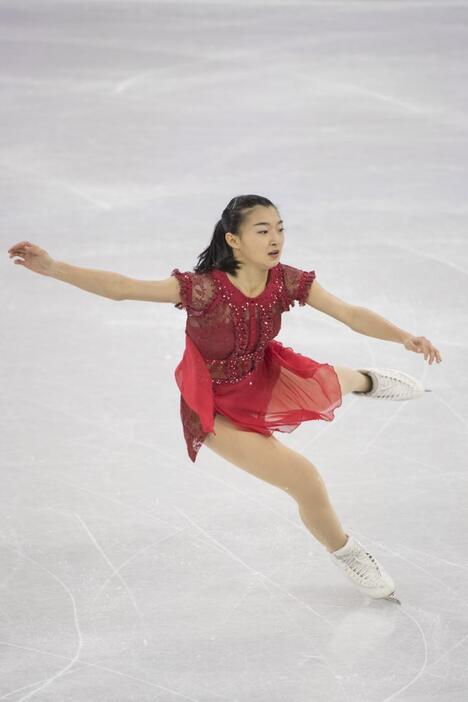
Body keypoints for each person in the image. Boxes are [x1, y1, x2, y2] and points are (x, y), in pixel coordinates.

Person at [7, 193, 442, 604]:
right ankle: (347, 552)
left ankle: (368, 380)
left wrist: (404, 336)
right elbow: (122, 287)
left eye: (280, 229)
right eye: (262, 230)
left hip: (263, 374)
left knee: (332, 380)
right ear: (233, 239)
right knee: (306, 479)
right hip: (217, 408)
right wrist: (53, 267)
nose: (275, 239)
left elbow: (350, 314)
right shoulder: (202, 290)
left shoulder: (287, 280)